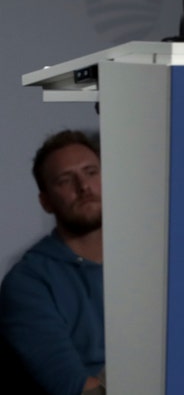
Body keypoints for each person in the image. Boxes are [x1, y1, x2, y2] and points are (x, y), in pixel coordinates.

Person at [1, 130, 105, 395]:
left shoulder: (152, 262)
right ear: (46, 201)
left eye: (91, 172)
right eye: (65, 180)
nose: (83, 186)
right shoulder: (28, 282)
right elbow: (75, 388)